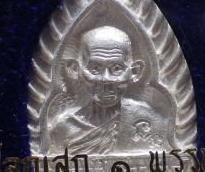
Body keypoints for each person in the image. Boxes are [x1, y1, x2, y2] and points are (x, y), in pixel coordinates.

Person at [46, 25, 171, 155]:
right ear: (75, 70)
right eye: (95, 68)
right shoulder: (63, 129)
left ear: (135, 71)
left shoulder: (152, 121)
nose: (105, 79)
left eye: (116, 69)